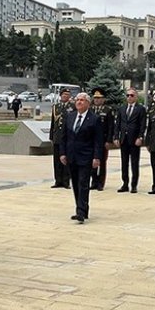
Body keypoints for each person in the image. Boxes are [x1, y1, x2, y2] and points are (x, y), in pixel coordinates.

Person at [60, 93, 104, 223]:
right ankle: (83, 209)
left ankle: (80, 212)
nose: (79, 102)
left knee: (83, 183)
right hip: (71, 156)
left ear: (88, 103)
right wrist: (62, 153)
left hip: (86, 156)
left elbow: (98, 140)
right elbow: (64, 137)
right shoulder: (70, 116)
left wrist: (97, 157)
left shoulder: (94, 119)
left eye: (82, 100)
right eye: (78, 100)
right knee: (75, 184)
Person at [114, 88, 146, 193]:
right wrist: (116, 137)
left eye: (132, 95)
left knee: (134, 163)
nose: (129, 97)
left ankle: (134, 185)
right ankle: (125, 184)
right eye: (127, 95)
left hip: (134, 140)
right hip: (124, 139)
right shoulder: (122, 108)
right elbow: (117, 124)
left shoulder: (140, 109)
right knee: (124, 163)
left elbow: (142, 124)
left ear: (136, 96)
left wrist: (140, 137)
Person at [89, 88, 115, 191]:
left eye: (99, 98)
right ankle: (94, 181)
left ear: (103, 99)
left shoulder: (107, 110)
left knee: (102, 162)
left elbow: (111, 127)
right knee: (92, 161)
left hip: (103, 140)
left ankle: (101, 183)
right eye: (95, 98)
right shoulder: (90, 110)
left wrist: (109, 140)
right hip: (91, 140)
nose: (96, 100)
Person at [50, 88, 74, 188]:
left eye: (68, 94)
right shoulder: (56, 107)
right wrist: (51, 136)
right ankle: (58, 180)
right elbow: (53, 122)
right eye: (64, 94)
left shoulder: (72, 107)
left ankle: (66, 181)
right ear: (61, 95)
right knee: (56, 160)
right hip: (57, 136)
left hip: (67, 137)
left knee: (66, 159)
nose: (66, 96)